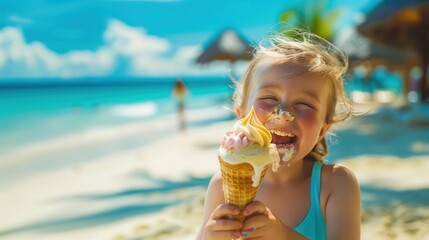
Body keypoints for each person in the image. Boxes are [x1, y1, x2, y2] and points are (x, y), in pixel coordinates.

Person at [196, 30, 361, 240]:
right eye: (269, 98)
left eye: (304, 103)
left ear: (322, 129)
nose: (284, 114)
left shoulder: (335, 184)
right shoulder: (220, 186)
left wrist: (283, 235)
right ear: (242, 114)